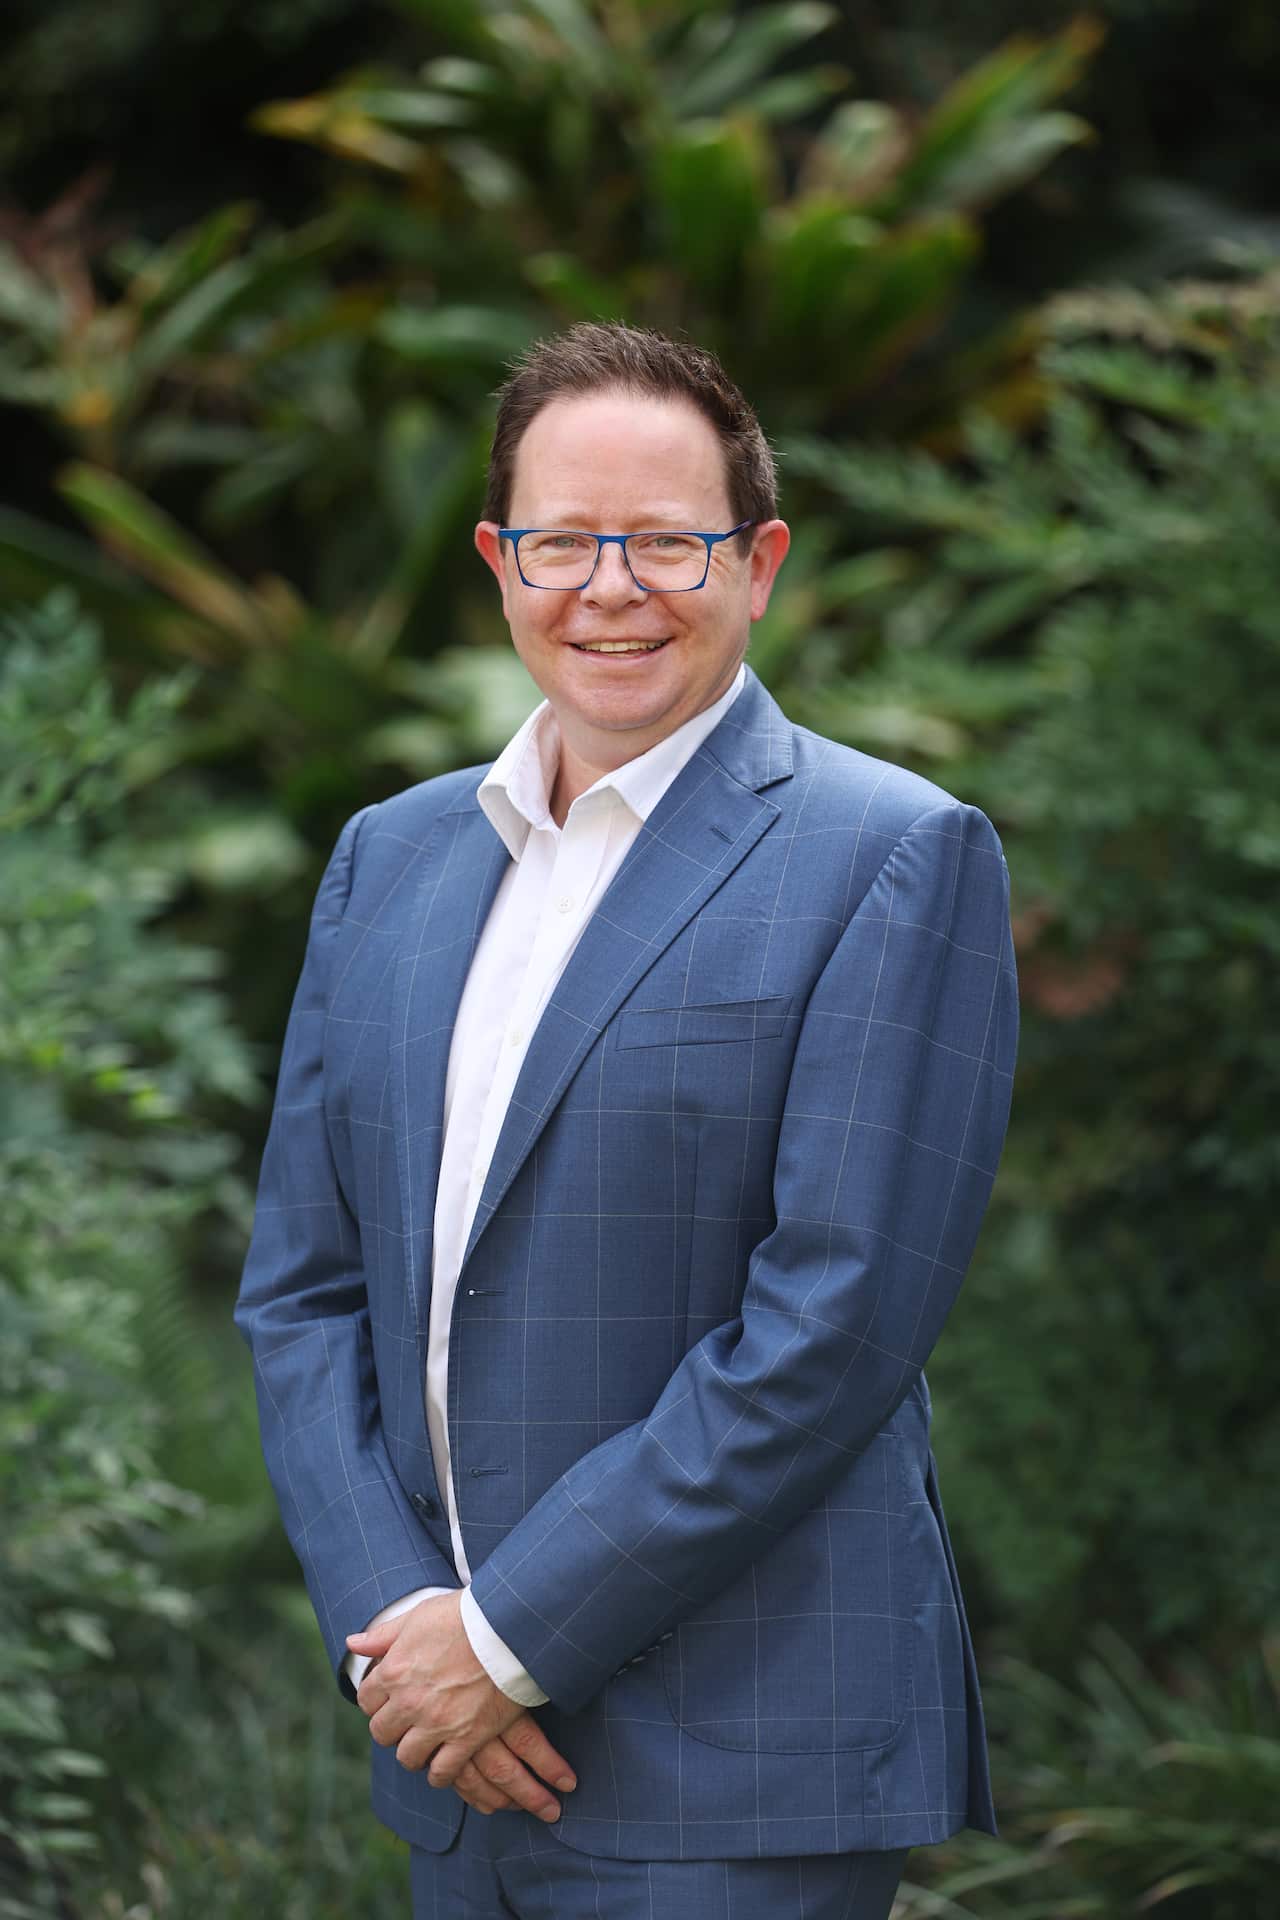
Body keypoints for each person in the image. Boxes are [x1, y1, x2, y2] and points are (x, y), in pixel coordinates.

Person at [233, 320, 1019, 1919]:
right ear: (497, 562)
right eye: (562, 542)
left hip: (741, 1765)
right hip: (449, 1755)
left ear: (760, 563)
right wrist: (403, 1635)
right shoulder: (389, 860)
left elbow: (835, 1326)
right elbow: (303, 1295)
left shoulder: (893, 854)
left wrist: (508, 1640)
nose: (610, 588)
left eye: (667, 542)